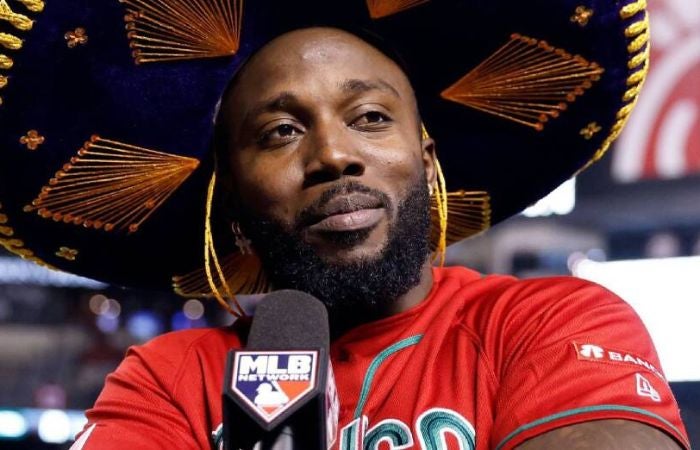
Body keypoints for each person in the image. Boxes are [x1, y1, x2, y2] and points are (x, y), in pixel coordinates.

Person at [0, 1, 689, 449]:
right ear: (232, 201)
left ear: (425, 161)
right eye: (279, 131)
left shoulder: (551, 323)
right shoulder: (168, 380)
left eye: (370, 117)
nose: (333, 155)